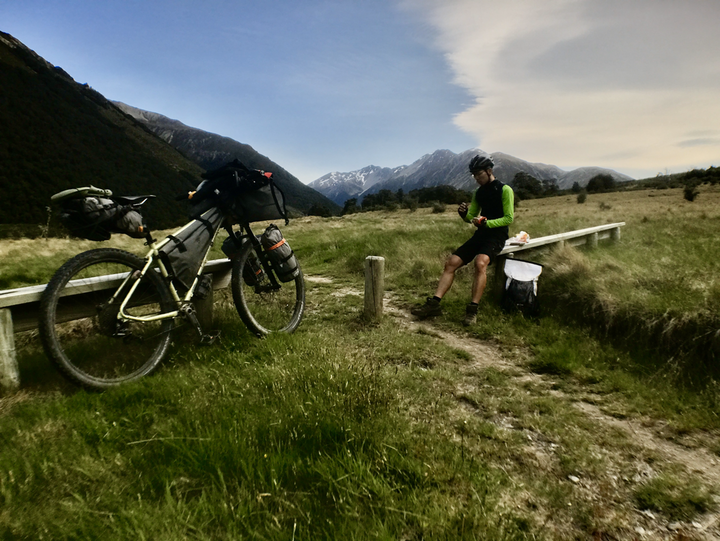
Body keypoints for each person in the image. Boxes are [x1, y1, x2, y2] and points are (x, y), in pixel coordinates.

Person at [411, 154, 514, 326]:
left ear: (489, 171)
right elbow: (472, 217)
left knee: (480, 263)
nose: (476, 178)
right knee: (451, 262)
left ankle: (472, 310)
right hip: (481, 234)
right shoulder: (478, 192)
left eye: (479, 174)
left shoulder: (505, 190)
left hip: (497, 235)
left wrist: (487, 223)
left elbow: (508, 218)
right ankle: (434, 304)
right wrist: (464, 215)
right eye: (474, 175)